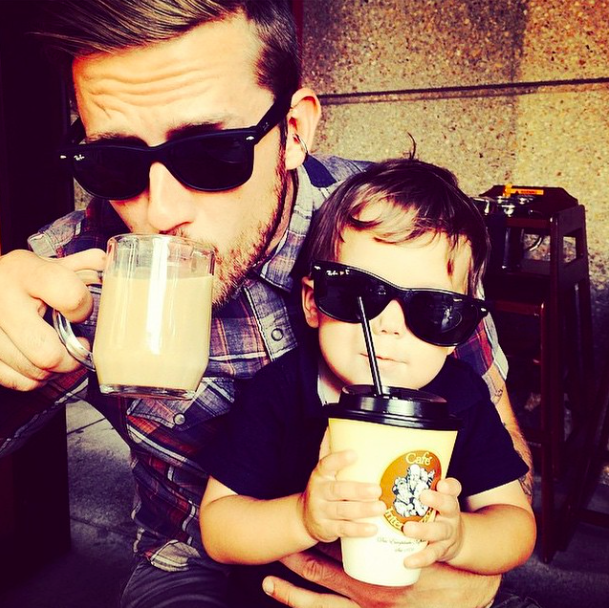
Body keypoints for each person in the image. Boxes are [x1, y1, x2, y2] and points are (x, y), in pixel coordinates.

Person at [0, 1, 532, 607]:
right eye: (113, 162)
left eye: (210, 152)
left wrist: (467, 576)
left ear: (294, 130)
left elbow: (503, 468)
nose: (161, 211)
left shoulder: (404, 236)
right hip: (193, 555)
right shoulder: (67, 272)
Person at [199, 158, 537, 607]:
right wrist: (300, 518)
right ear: (313, 302)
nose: (389, 326)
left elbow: (516, 525)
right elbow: (219, 529)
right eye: (358, 293)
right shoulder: (278, 391)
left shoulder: (462, 398)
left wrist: (461, 539)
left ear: (458, 329)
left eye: (432, 309)